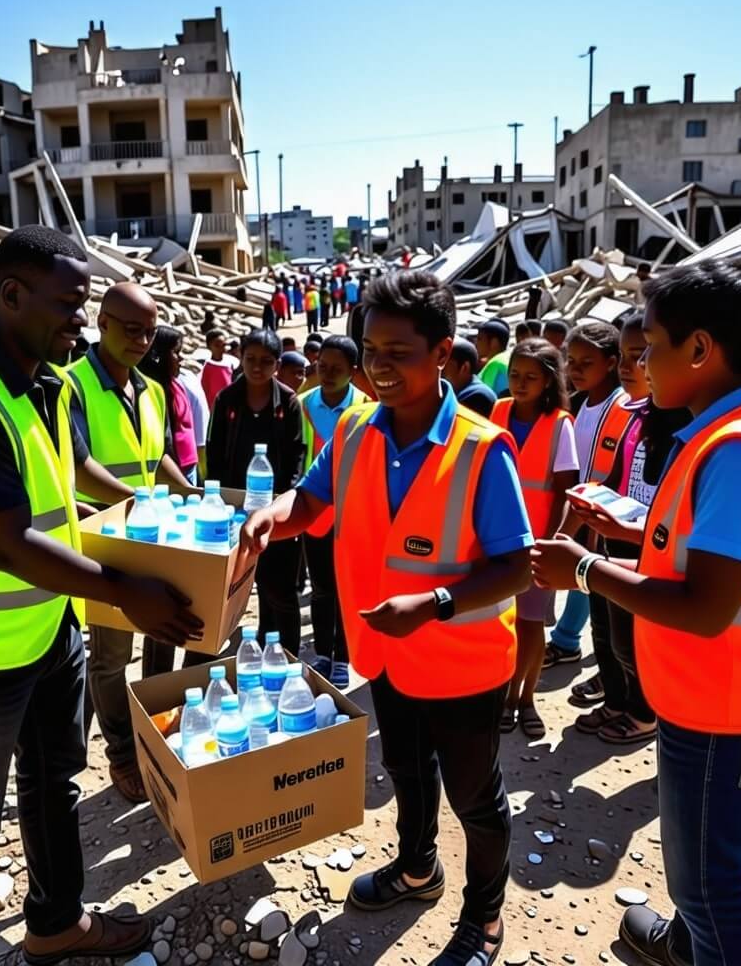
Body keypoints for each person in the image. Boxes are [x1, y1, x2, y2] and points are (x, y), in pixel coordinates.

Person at [0, 225, 200, 966]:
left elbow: (77, 473)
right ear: (10, 296)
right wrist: (125, 590)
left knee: (53, 781)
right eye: (70, 307)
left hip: (47, 626)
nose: (81, 322)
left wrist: (152, 506)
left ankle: (56, 922)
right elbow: (6, 544)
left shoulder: (51, 383)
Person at [242, 270, 532, 966]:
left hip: (462, 666)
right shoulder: (352, 429)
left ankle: (484, 918)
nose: (379, 365)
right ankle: (416, 867)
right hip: (387, 655)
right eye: (371, 349)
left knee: (476, 798)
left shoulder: (482, 448)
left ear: (443, 353)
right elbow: (310, 502)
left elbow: (517, 564)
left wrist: (434, 604)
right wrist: (268, 521)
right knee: (404, 768)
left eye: (398, 351)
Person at [532, 260, 741, 966]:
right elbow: (711, 557)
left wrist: (583, 568)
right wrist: (633, 535)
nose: (640, 362)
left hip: (723, 705)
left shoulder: (736, 453)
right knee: (697, 867)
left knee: (710, 883)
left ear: (699, 350)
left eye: (650, 346)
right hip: (705, 692)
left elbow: (706, 607)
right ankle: (682, 945)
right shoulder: (721, 432)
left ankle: (697, 939)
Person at [68, 284, 197, 805]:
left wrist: (188, 495)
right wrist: (138, 500)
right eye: (130, 328)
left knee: (163, 632)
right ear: (101, 323)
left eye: (149, 331)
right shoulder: (70, 386)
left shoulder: (150, 389)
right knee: (111, 655)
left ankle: (155, 730)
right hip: (103, 541)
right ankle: (122, 752)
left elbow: (159, 455)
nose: (142, 340)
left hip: (154, 535)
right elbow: (77, 465)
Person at [568, 314, 682, 745]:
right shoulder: (634, 416)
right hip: (615, 539)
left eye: (643, 355)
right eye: (631, 356)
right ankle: (616, 701)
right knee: (609, 635)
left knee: (637, 642)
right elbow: (613, 476)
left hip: (649, 552)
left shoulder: (679, 426)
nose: (635, 366)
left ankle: (642, 713)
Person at [493, 340, 578, 738]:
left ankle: (522, 698)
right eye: (514, 375)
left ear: (547, 380)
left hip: (536, 542)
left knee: (530, 624)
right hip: (495, 539)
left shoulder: (561, 423)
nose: (520, 383)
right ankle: (501, 691)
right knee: (499, 621)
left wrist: (553, 540)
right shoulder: (497, 411)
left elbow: (565, 489)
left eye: (530, 377)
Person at [207, 328, 306, 653]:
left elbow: (296, 456)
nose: (257, 367)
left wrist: (285, 503)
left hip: (273, 510)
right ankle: (258, 641)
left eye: (266, 361)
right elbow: (215, 452)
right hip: (234, 510)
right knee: (234, 586)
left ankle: (288, 656)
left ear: (277, 364)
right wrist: (220, 501)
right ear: (242, 359)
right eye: (251, 359)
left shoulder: (288, 402)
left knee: (279, 590)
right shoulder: (226, 400)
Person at [543, 321, 630, 672]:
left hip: (600, 511)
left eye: (585, 363)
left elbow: (608, 473)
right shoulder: (580, 403)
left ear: (611, 362)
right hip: (578, 503)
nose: (574, 370)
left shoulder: (619, 406)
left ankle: (568, 641)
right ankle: (570, 639)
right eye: (570, 361)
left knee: (588, 577)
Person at [297, 335, 367, 688]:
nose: (327, 374)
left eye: (337, 369)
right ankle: (324, 651)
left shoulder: (368, 410)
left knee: (348, 588)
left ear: (353, 372)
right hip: (315, 513)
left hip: (353, 514)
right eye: (322, 367)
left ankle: (344, 655)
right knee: (323, 586)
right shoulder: (303, 406)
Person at [139, 326, 200, 486]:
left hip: (189, 467)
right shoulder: (153, 390)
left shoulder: (176, 384)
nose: (180, 359)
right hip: (173, 472)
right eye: (176, 352)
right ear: (159, 355)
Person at [442, 337, 498, 418]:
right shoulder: (461, 391)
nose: (439, 369)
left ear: (464, 367)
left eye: (444, 365)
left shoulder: (478, 397)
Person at [200, 328, 237, 410]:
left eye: (223, 345)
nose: (221, 349)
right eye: (217, 345)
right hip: (212, 409)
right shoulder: (206, 367)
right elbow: (204, 391)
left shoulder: (229, 364)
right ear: (209, 346)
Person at [475, 319, 511, 397]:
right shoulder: (508, 357)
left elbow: (484, 398)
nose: (476, 343)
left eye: (480, 339)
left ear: (494, 343)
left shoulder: (495, 364)